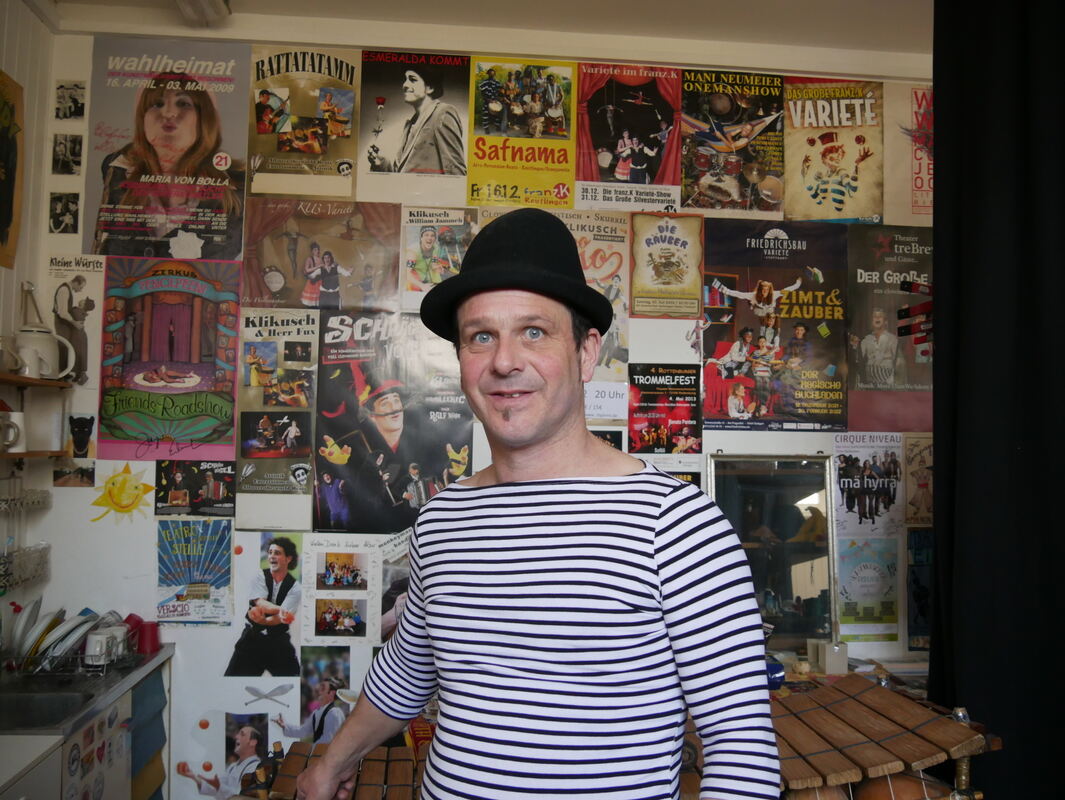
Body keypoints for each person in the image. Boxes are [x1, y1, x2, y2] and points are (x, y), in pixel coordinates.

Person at [298, 208, 778, 800]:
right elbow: (406, 674)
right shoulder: (442, 519)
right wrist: (331, 764)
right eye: (481, 336)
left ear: (586, 352)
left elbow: (742, 753)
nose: (504, 362)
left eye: (534, 332)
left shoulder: (677, 524)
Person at [92, 72, 244, 259]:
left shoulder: (238, 188)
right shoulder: (116, 171)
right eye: (157, 104)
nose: (168, 113)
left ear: (205, 119)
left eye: (183, 103)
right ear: (142, 118)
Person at [368, 65, 466, 175]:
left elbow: (456, 173)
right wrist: (381, 163)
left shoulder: (443, 113)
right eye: (405, 79)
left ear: (430, 87)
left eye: (412, 79)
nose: (405, 85)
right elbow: (401, 175)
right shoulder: (409, 125)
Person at [224, 537, 301, 676]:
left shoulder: (295, 587)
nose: (271, 556)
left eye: (277, 553)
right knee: (233, 682)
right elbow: (261, 603)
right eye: (270, 552)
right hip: (251, 640)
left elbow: (278, 619)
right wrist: (281, 610)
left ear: (288, 559)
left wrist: (264, 621)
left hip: (279, 643)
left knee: (295, 682)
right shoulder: (260, 575)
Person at [177, 724, 262, 798]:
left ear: (253, 742)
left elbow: (242, 797)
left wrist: (218, 786)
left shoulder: (256, 768)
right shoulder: (233, 766)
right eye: (238, 734)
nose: (236, 736)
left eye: (242, 734)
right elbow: (217, 788)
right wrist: (194, 777)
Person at [274, 677, 347, 745]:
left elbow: (330, 739)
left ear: (332, 693)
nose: (317, 689)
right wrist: (284, 726)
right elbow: (303, 731)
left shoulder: (335, 713)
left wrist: (312, 749)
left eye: (322, 688)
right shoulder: (317, 712)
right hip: (319, 752)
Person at [52, 273, 89, 385]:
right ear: (76, 283)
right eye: (81, 287)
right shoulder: (64, 290)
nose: (80, 290)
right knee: (63, 346)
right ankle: (60, 375)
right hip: (61, 322)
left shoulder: (68, 290)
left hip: (66, 323)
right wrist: (74, 323)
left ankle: (65, 372)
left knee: (67, 346)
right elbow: (62, 313)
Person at [860, 307, 904, 387]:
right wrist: (854, 346)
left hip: (887, 383)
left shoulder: (892, 339)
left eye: (880, 316)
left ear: (885, 321)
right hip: (870, 383)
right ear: (872, 321)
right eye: (875, 316)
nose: (877, 318)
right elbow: (859, 359)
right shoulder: (866, 340)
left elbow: (899, 361)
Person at [478, 67, 506, 134]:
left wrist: (502, 89)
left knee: (497, 113)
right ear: (488, 74)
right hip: (487, 100)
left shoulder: (497, 82)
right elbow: (482, 93)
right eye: (490, 74)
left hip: (495, 100)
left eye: (493, 74)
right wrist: (488, 100)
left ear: (494, 74)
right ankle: (486, 128)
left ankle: (497, 126)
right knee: (485, 114)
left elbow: (501, 91)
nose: (492, 75)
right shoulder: (484, 82)